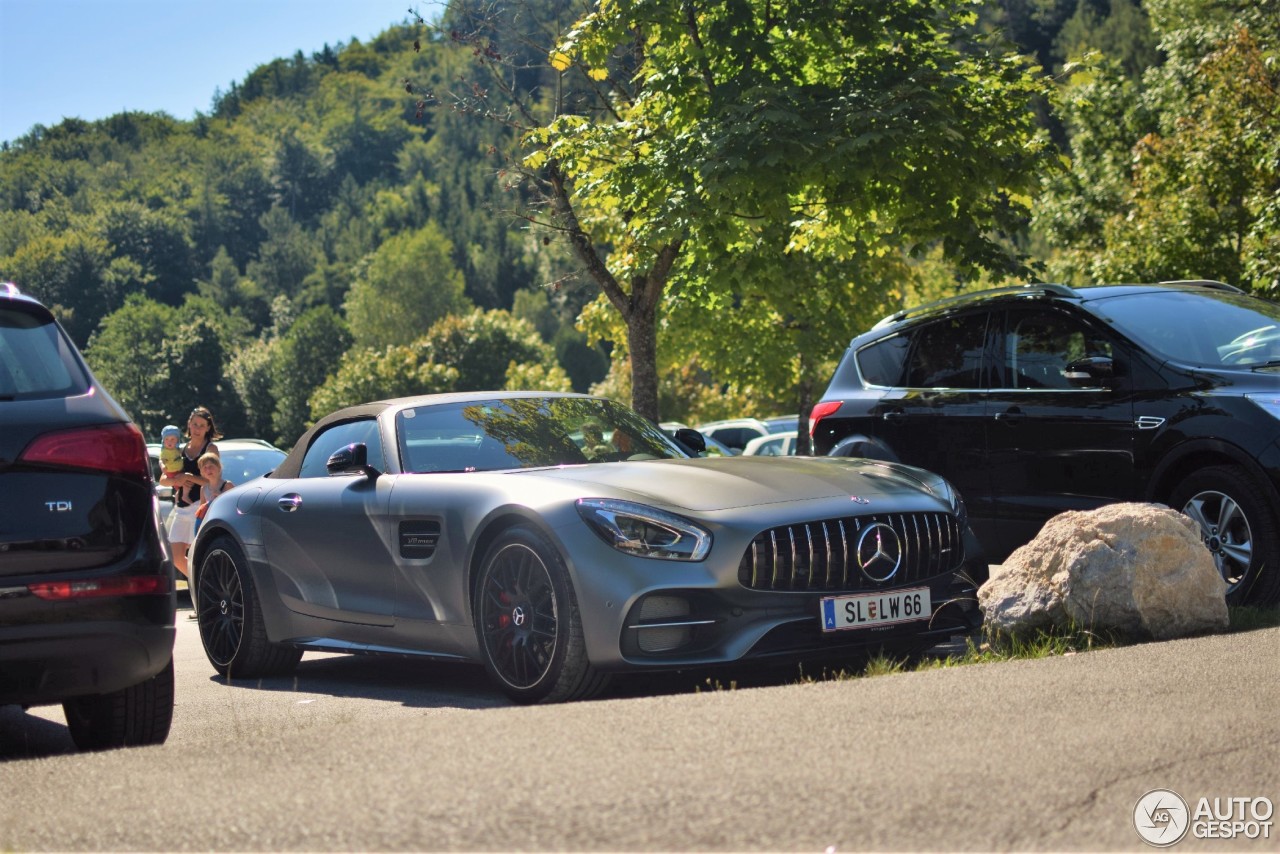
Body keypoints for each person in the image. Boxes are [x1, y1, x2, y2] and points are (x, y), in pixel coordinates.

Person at [159, 406, 222, 580]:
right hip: (181, 508)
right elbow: (163, 479)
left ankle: (206, 585)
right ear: (189, 425)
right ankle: (201, 582)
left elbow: (213, 480)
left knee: (200, 553)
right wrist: (176, 480)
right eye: (194, 424)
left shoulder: (210, 449)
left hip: (201, 507)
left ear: (208, 428)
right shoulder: (180, 449)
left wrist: (189, 477)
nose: (197, 429)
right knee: (176, 555)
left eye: (202, 425)